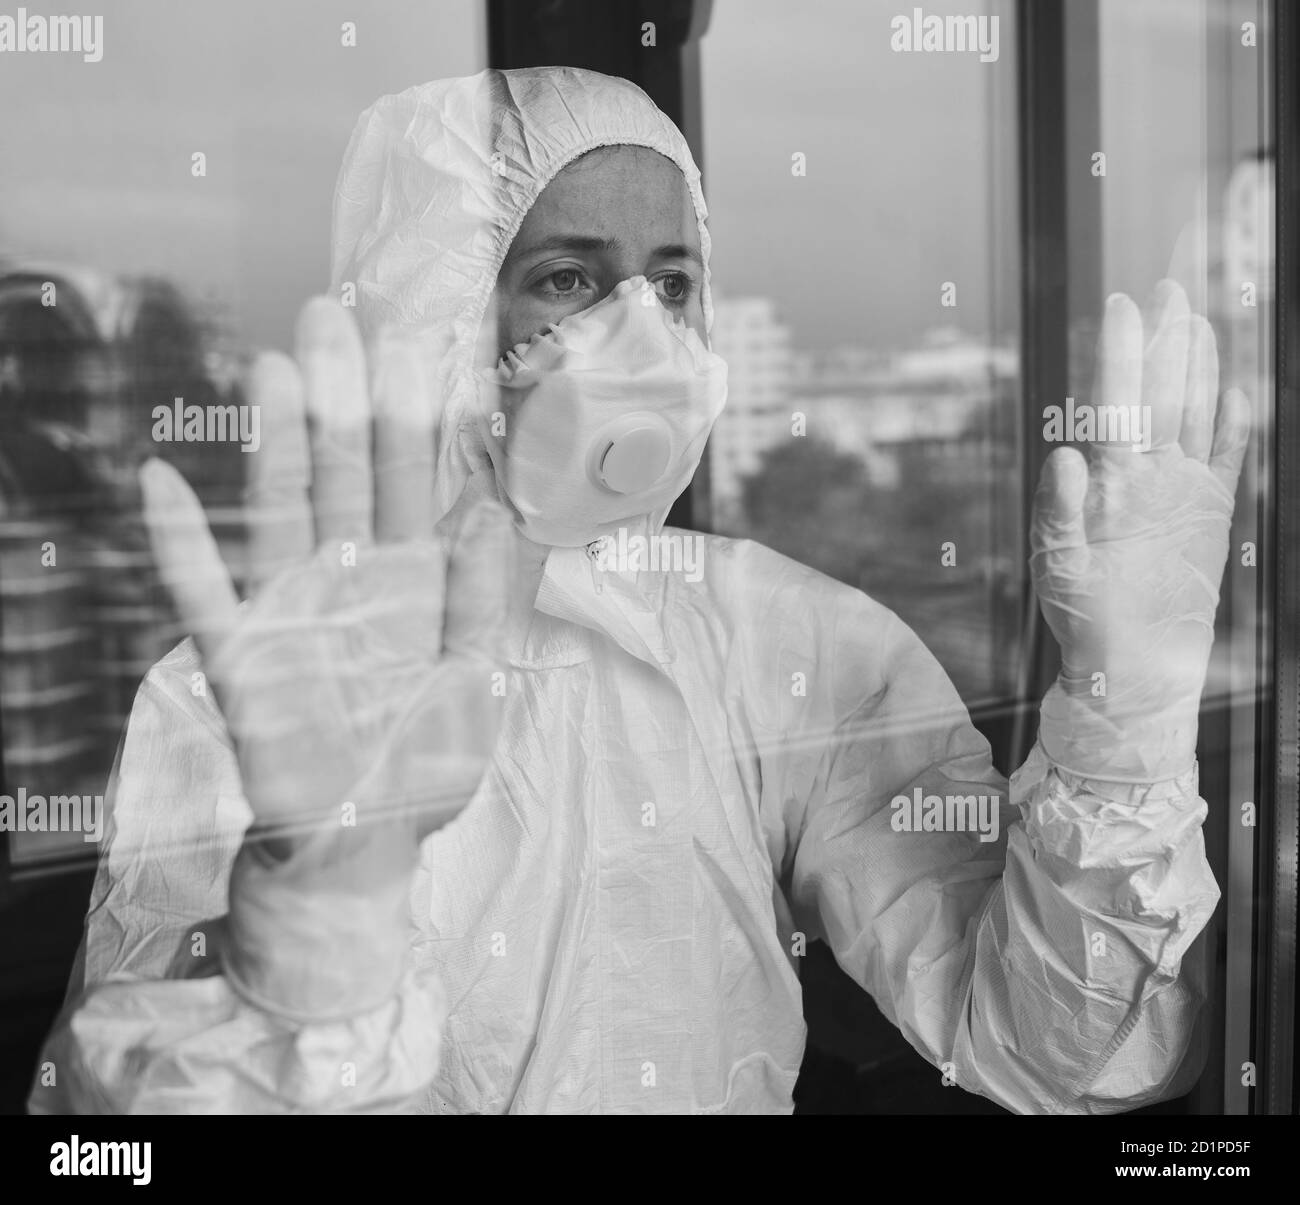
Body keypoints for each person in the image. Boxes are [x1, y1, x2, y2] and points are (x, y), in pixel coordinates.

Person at [31, 66, 1249, 1115]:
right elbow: (124, 1134)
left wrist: (1120, 716)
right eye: (569, 278)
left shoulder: (783, 641)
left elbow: (1059, 1053)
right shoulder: (259, 690)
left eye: (671, 283)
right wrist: (308, 938)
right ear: (438, 308)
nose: (646, 335)